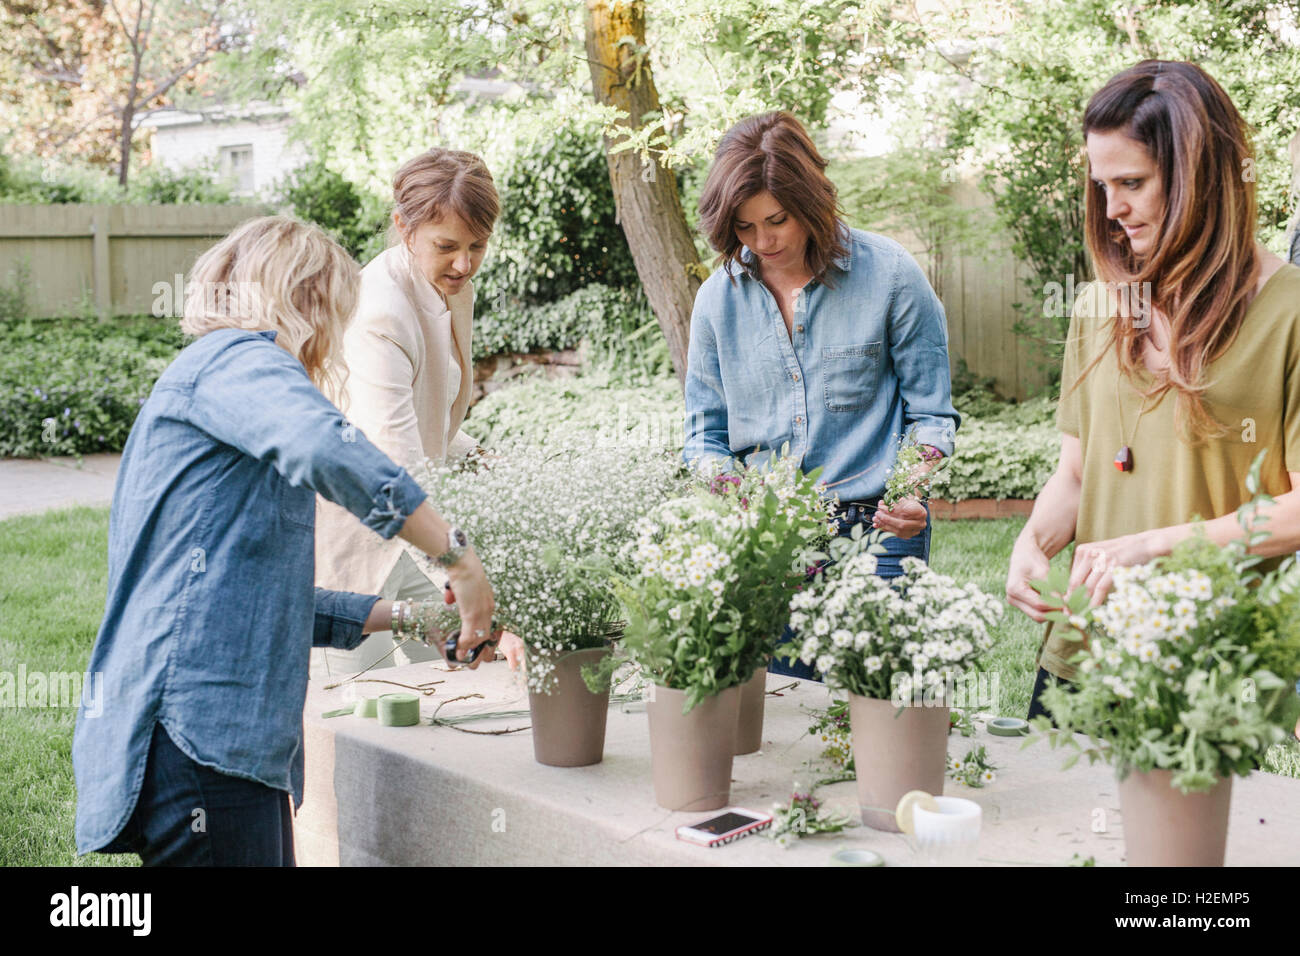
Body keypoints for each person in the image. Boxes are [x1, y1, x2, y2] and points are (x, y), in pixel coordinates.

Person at [72, 216, 499, 866]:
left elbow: (271, 599)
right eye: (335, 314)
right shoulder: (238, 362)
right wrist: (460, 560)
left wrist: (417, 615)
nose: (333, 341)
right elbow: (330, 446)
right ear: (306, 300)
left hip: (219, 743)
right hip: (199, 735)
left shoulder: (227, 390)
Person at [1005, 61, 1300, 721]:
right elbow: (1079, 475)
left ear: (1202, 175)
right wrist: (1033, 543)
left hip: (1212, 668)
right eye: (1102, 186)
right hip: (1083, 652)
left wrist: (1151, 545)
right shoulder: (1097, 306)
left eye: (1132, 183)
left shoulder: (1290, 313)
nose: (1112, 212)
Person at [683, 110, 960, 681]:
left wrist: (910, 492)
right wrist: (745, 500)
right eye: (743, 228)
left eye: (778, 220)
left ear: (811, 199)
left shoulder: (890, 275)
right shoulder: (716, 302)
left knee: (879, 722)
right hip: (769, 545)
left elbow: (930, 413)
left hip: (881, 534)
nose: (763, 241)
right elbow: (703, 438)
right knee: (786, 724)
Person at [312, 148, 522, 675]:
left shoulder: (447, 284)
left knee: (463, 682)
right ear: (404, 227)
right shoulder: (379, 312)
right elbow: (397, 458)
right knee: (364, 715)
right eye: (447, 246)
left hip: (412, 515)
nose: (464, 264)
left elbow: (423, 415)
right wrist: (462, 570)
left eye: (478, 246)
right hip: (363, 534)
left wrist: (482, 458)